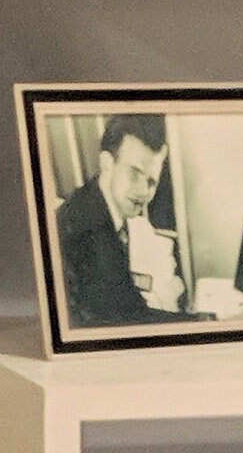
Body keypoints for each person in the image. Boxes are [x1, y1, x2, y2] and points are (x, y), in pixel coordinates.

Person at [54, 114, 186, 328]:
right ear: (107, 163)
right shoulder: (83, 229)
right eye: (134, 173)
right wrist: (206, 322)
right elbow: (128, 320)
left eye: (151, 181)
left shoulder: (103, 205)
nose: (144, 192)